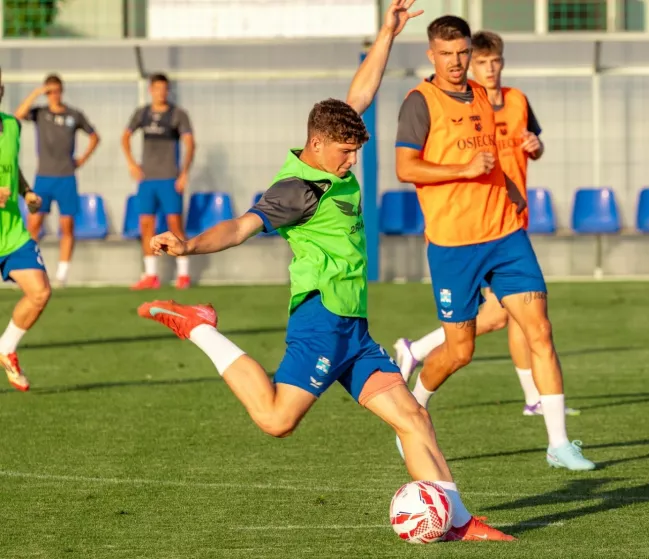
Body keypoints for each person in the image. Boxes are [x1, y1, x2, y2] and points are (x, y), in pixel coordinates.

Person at [137, 1, 514, 542]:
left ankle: (458, 521)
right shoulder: (298, 190)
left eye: (355, 150)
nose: (352, 160)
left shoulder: (334, 141)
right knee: (276, 420)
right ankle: (199, 327)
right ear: (317, 144)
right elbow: (241, 227)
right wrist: (190, 245)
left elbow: (359, 95)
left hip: (353, 329)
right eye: (345, 152)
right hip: (320, 322)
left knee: (413, 417)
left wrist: (387, 33)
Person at [394, 16, 595, 470]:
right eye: (447, 54)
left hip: (505, 233)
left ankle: (559, 444)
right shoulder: (419, 102)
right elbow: (406, 168)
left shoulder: (483, 96)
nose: (456, 61)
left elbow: (489, 154)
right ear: (431, 55)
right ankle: (413, 409)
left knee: (539, 330)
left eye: (463, 52)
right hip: (453, 243)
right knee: (460, 351)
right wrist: (462, 171)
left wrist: (508, 186)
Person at [13, 74, 100, 288]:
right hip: (43, 177)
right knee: (34, 224)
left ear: (62, 91)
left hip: (66, 177)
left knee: (67, 225)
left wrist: (82, 159)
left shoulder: (73, 115)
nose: (54, 95)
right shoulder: (40, 113)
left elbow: (94, 136)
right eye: (49, 91)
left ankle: (62, 274)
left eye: (57, 91)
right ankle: (29, 270)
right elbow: (18, 115)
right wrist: (36, 93)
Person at [0, 67, 52, 391]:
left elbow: (12, 167)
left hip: (13, 234)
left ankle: (6, 347)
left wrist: (26, 192)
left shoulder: (11, 126)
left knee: (40, 292)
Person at [122, 73, 195, 290]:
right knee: (146, 225)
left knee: (175, 224)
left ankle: (183, 274)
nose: (161, 93)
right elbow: (125, 137)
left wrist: (184, 173)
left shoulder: (178, 114)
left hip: (170, 178)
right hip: (147, 180)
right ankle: (151, 275)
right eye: (157, 89)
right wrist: (132, 164)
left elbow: (190, 144)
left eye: (164, 89)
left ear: (168, 90)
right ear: (150, 90)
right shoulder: (142, 113)